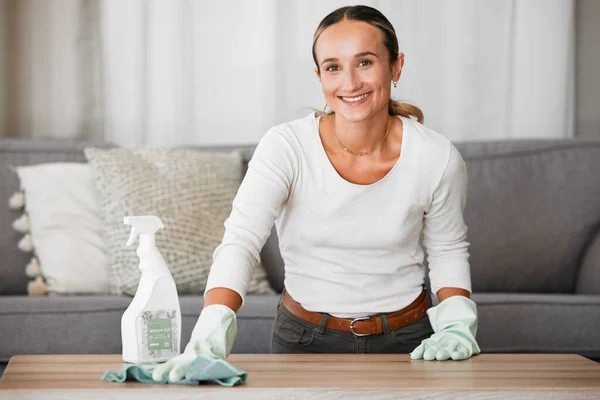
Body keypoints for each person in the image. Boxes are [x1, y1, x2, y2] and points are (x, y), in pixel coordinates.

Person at [152, 5, 480, 382]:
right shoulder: (286, 147)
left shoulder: (436, 157)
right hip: (303, 339)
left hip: (409, 340)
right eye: (333, 67)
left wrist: (456, 324)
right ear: (320, 75)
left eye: (365, 62)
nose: (350, 83)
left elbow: (447, 248)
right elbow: (241, 240)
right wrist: (210, 328)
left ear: (396, 66)